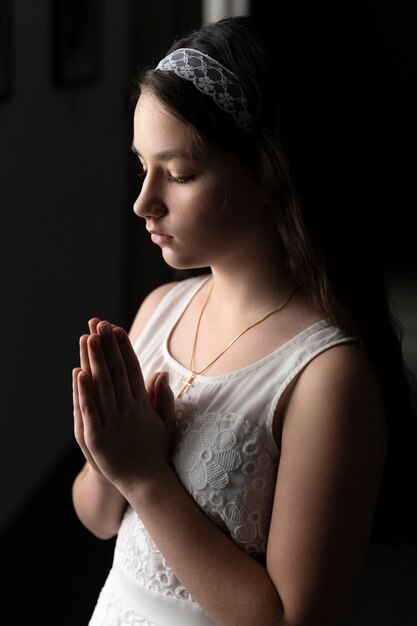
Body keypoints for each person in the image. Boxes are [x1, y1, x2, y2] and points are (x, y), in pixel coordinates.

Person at [71, 14, 417, 626]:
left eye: (178, 174)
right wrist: (106, 457)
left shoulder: (327, 375)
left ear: (268, 175)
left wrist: (148, 477)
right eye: (141, 166)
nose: (143, 201)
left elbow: (292, 618)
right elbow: (98, 519)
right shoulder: (158, 312)